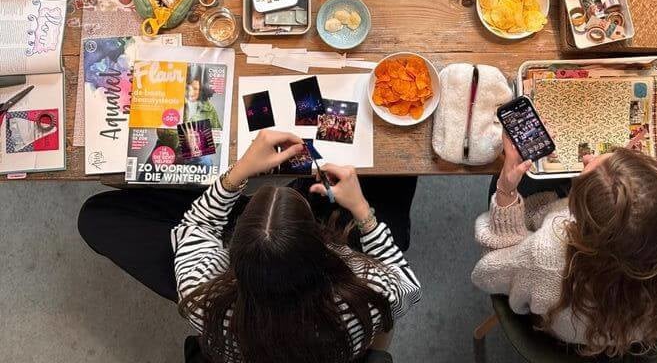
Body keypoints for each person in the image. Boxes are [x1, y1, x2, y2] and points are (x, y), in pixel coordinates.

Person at [78, 129, 420, 363]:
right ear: (323, 246)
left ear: (231, 253)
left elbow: (195, 227)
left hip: (244, 327)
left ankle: (250, 203)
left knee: (95, 216)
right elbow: (408, 284)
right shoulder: (369, 296)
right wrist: (362, 211)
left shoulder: (203, 299)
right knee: (398, 172)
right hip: (335, 341)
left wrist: (236, 175)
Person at [472, 139, 657, 357]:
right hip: (645, 332)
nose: (586, 160)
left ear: (578, 220)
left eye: (583, 178)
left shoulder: (546, 253)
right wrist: (633, 182)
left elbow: (490, 270)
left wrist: (506, 192)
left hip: (566, 331)